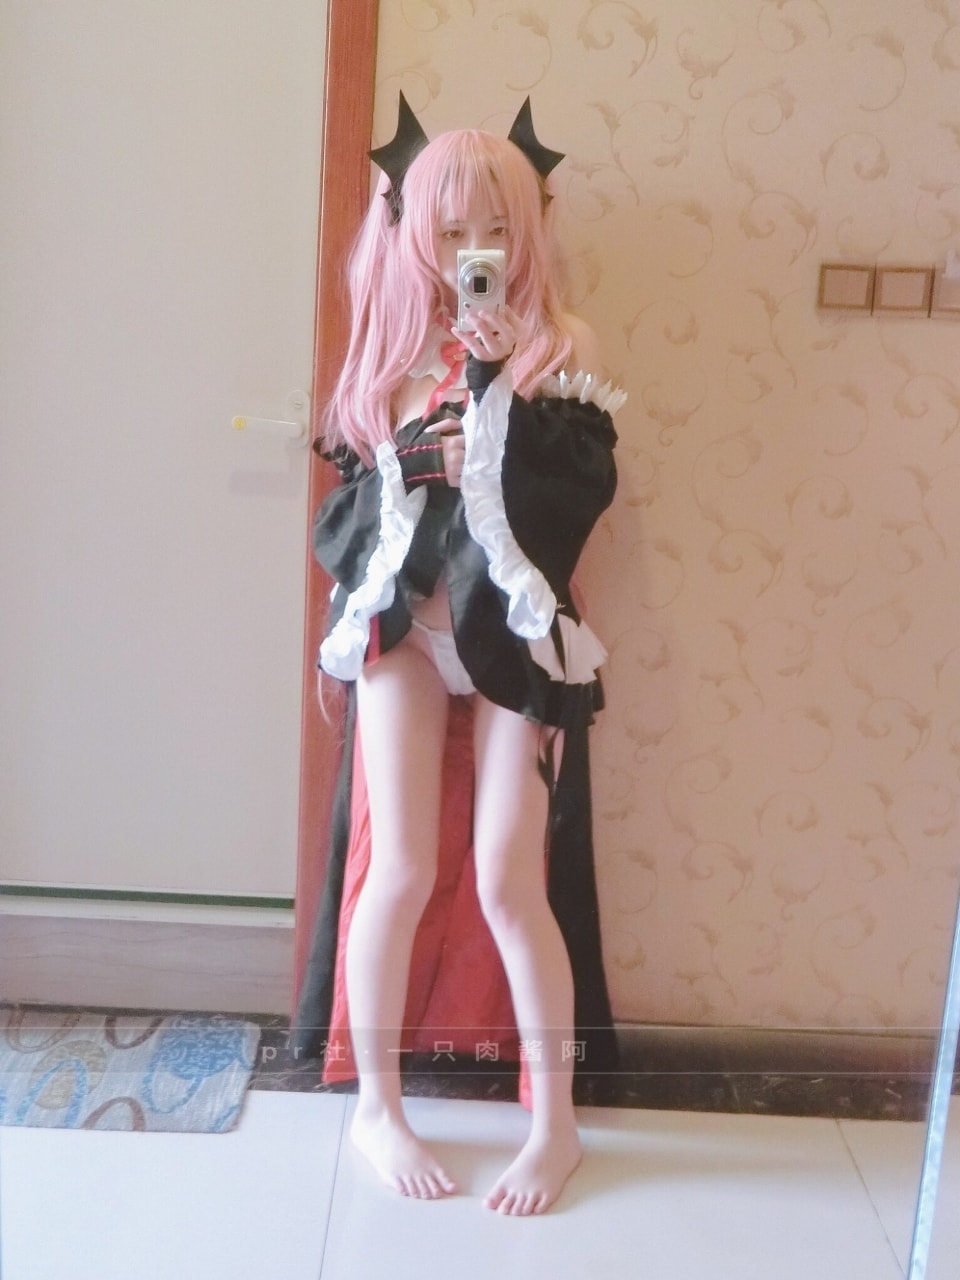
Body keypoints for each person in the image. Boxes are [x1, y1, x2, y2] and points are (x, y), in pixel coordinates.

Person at [295, 98, 627, 1216]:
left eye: (497, 227)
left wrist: (498, 390)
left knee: (506, 878)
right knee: (397, 866)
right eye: (450, 230)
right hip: (406, 636)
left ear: (528, 231)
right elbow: (364, 516)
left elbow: (571, 498)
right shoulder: (390, 352)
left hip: (515, 636)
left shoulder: (562, 344)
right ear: (413, 234)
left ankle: (555, 1125)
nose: (474, 249)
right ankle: (377, 1104)